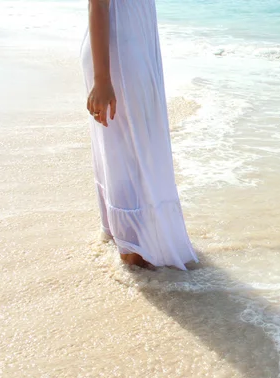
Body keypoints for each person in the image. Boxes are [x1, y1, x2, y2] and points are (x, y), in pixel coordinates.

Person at [81, 0, 198, 270]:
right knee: (129, 153)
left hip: (133, 54)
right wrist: (102, 79)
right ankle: (133, 247)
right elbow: (97, 6)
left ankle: (134, 239)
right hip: (117, 62)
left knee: (133, 151)